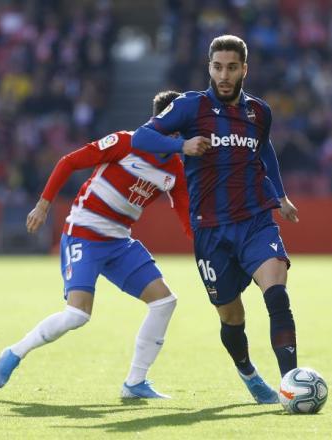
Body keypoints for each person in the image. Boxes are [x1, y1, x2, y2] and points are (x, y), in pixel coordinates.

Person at [132, 35, 300, 404]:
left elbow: (265, 150)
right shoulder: (188, 108)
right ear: (209, 67)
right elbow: (141, 138)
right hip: (211, 231)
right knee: (231, 318)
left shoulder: (259, 112)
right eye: (217, 67)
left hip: (256, 221)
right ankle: (249, 374)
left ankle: (292, 384)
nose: (224, 75)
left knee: (277, 296)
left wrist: (281, 196)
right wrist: (181, 145)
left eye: (232, 67)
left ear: (244, 69)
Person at [0, 91, 191, 398]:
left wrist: (208, 243)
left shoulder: (175, 168)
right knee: (77, 315)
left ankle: (135, 383)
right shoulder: (126, 142)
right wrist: (43, 205)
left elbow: (185, 216)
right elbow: (69, 162)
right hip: (84, 231)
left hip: (119, 241)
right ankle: (16, 352)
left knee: (165, 302)